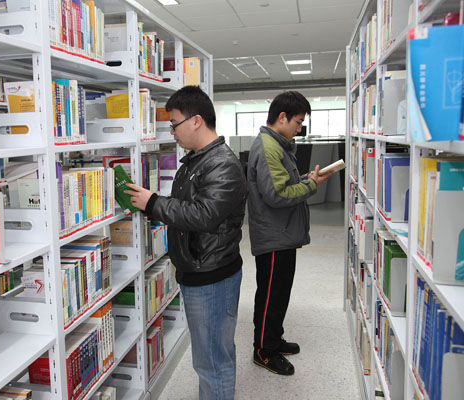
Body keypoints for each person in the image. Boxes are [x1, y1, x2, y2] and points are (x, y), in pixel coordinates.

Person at [125, 85, 246, 399]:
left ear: (196, 121)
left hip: (212, 276)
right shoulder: (196, 160)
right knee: (210, 356)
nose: (172, 132)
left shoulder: (222, 164)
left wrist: (154, 203)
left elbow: (204, 216)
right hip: (200, 269)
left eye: (174, 124)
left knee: (213, 362)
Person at [247, 91, 333, 376]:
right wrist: (311, 186)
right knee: (271, 296)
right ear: (282, 117)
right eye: (298, 122)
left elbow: (282, 183)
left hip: (281, 234)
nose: (300, 128)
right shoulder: (269, 147)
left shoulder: (278, 145)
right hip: (274, 236)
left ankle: (273, 339)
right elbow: (278, 194)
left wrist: (308, 179)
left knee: (279, 293)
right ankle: (264, 351)